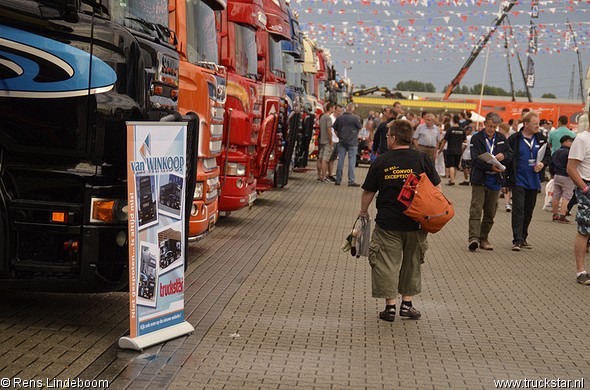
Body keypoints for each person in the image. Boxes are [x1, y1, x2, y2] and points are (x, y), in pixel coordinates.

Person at [359, 119, 441, 321]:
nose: (387, 139)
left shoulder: (382, 160)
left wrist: (364, 211)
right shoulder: (422, 159)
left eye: (387, 136)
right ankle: (407, 305)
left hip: (388, 223)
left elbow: (369, 190)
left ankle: (390, 308)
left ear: (393, 138)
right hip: (416, 222)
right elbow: (437, 190)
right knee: (412, 262)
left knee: (387, 263)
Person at [467, 112, 513, 251]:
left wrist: (504, 156)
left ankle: (484, 238)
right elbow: (475, 159)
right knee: (476, 210)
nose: (492, 129)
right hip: (480, 179)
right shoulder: (476, 138)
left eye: (494, 127)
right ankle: (473, 238)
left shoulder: (501, 138)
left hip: (496, 180)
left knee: (490, 212)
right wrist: (489, 165)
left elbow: (510, 154)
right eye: (489, 126)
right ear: (484, 124)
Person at [506, 111, 551, 251]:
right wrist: (505, 181)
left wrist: (542, 164)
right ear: (526, 124)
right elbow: (508, 159)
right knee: (518, 210)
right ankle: (517, 240)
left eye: (538, 124)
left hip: (534, 180)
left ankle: (524, 237)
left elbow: (548, 156)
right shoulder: (515, 139)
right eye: (535, 124)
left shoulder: (540, 138)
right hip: (519, 179)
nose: (538, 126)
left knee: (528, 210)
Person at [566, 124, 590, 285]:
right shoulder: (582, 140)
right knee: (585, 229)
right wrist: (586, 190)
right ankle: (581, 271)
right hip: (587, 186)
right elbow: (571, 168)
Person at [333, 103, 362, 187]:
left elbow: (335, 129)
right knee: (351, 162)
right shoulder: (355, 118)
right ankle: (351, 180)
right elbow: (360, 127)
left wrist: (339, 136)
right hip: (352, 142)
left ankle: (338, 180)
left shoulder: (340, 118)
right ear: (353, 110)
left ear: (345, 109)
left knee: (340, 161)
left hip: (342, 141)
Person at [549, 135, 574, 223]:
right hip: (566, 177)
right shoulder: (569, 152)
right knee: (567, 196)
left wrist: (553, 173)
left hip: (557, 176)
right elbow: (571, 165)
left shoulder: (556, 152)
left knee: (556, 195)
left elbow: (551, 164)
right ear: (564, 142)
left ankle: (555, 215)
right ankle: (562, 216)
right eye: (570, 141)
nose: (571, 143)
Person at [437, 114, 466, 185]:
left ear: (452, 121)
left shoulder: (450, 130)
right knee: (456, 166)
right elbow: (465, 141)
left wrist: (440, 149)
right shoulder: (462, 130)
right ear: (459, 121)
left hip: (451, 150)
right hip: (459, 150)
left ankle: (452, 180)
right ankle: (452, 179)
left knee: (451, 165)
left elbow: (444, 141)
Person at [317, 102, 335, 183]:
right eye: (334, 108)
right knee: (325, 160)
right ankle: (324, 177)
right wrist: (331, 142)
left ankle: (319, 176)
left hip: (321, 140)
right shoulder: (328, 118)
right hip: (327, 141)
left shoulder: (322, 117)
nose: (334, 110)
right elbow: (329, 130)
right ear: (330, 108)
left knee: (320, 158)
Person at [497, 122, 513, 211]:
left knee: (508, 185)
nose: (498, 131)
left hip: (508, 164)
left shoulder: (510, 139)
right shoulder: (499, 139)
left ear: (504, 130)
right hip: (500, 164)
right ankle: (496, 202)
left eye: (500, 129)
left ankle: (508, 203)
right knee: (499, 183)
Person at [327, 104, 343, 181]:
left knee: (333, 158)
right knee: (329, 158)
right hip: (332, 140)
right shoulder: (331, 118)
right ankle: (328, 173)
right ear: (335, 110)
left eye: (341, 111)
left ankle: (330, 173)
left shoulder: (340, 119)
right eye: (338, 111)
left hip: (337, 140)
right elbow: (329, 130)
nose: (339, 112)